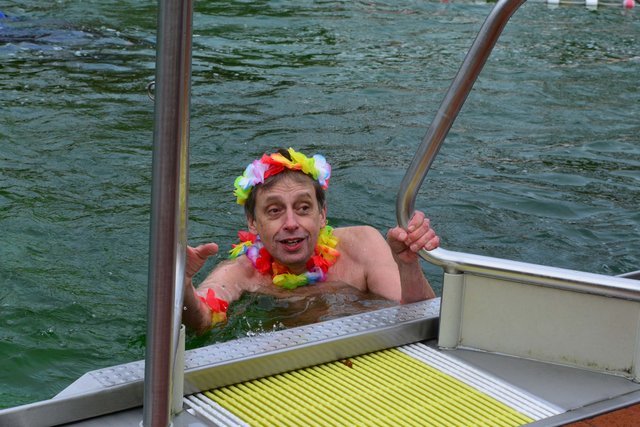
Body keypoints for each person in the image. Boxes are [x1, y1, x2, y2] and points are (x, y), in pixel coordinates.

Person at [182, 148, 440, 333]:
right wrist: (182, 284)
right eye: (274, 211)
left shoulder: (363, 245)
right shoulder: (241, 273)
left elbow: (421, 319)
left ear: (322, 215)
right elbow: (202, 321)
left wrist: (408, 264)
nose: (291, 222)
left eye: (303, 208)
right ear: (253, 222)